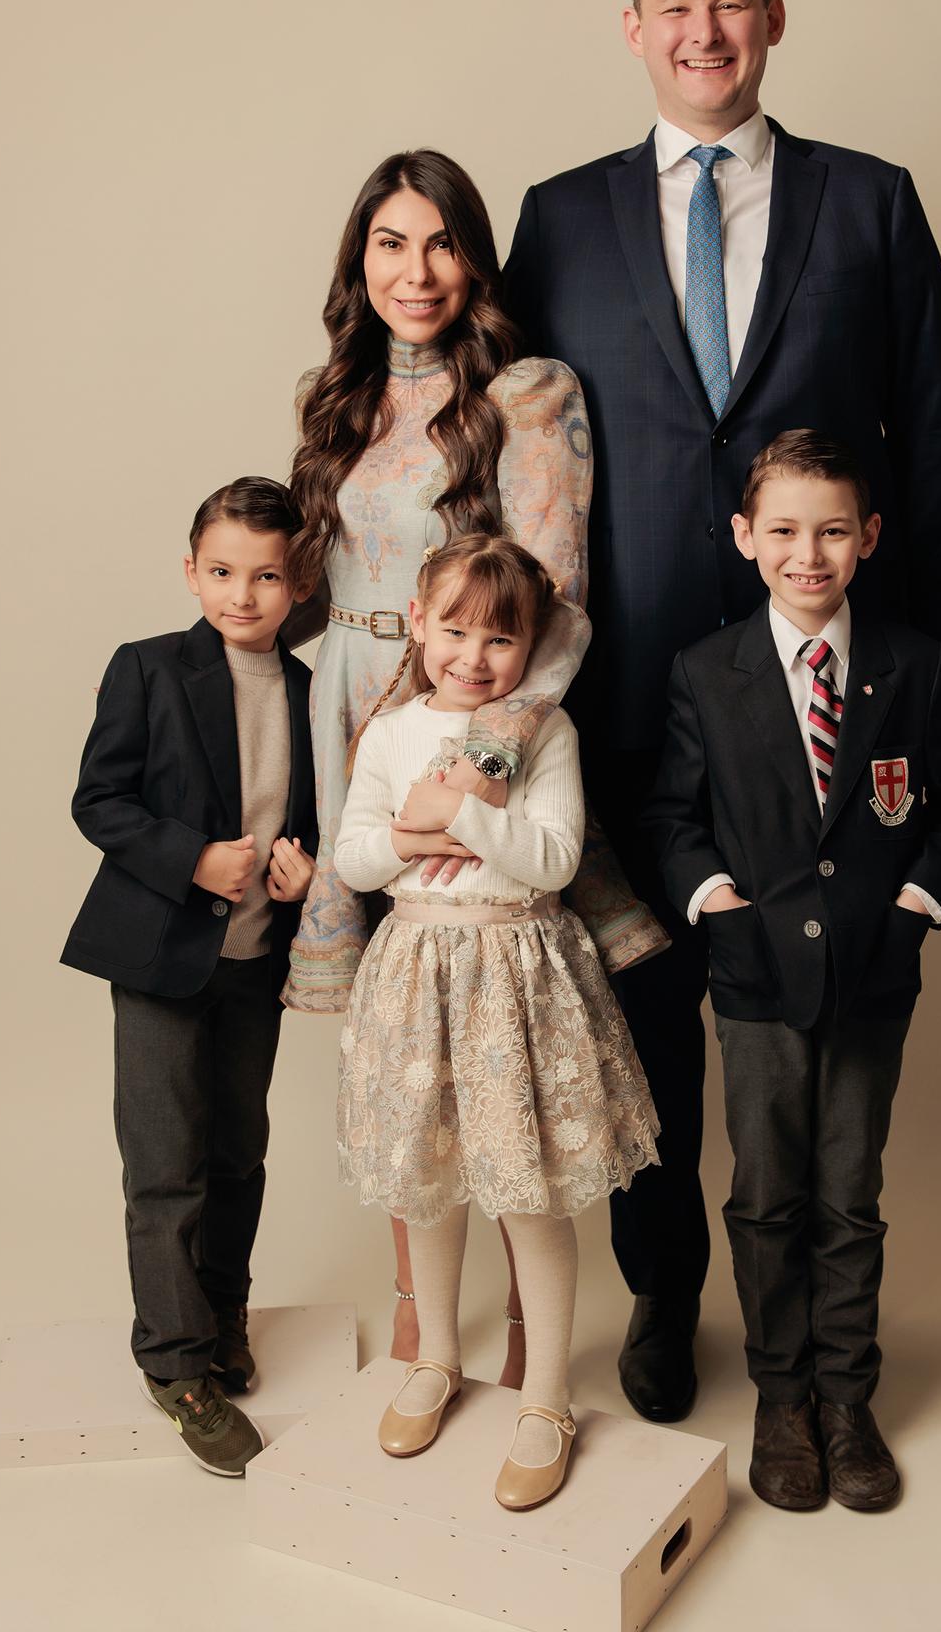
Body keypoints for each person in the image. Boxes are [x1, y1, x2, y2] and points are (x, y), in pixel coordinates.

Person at [504, 0, 941, 1422]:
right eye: (673, 5)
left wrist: (910, 659)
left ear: (772, 19)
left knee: (804, 1014)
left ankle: (810, 1340)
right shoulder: (558, 218)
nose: (702, 31)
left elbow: (938, 436)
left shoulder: (870, 203)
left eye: (729, 3)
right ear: (631, 29)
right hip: (626, 691)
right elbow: (507, 450)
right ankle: (661, 1294)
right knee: (647, 1015)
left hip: (822, 694)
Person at [280, 147, 665, 1383]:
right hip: (351, 716)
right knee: (402, 1038)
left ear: (476, 260)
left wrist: (486, 759)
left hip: (464, 712)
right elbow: (310, 581)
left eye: (441, 242)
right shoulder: (334, 396)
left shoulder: (527, 395)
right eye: (389, 243)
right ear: (358, 261)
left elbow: (557, 594)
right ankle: (418, 1309)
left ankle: (526, 1329)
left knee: (492, 1028)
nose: (416, 270)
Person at [645, 430, 941, 1510]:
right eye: (785, 531)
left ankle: (846, 1398)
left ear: (868, 537)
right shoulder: (705, 672)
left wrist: (913, 907)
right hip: (755, 981)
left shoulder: (910, 662)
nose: (809, 553)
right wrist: (719, 906)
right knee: (765, 1195)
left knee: (849, 1193)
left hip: (872, 977)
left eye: (833, 530)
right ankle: (779, 1395)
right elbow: (672, 819)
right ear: (745, 537)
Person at [335, 535, 659, 1509]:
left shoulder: (543, 732)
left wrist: (466, 810)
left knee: (528, 1190)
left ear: (530, 645)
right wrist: (414, 832)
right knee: (428, 1181)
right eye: (455, 631)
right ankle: (435, 1356)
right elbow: (355, 859)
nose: (473, 657)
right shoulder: (389, 732)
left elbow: (551, 858)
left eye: (500, 640)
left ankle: (546, 1397)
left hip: (516, 977)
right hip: (415, 978)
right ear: (418, 623)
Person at [61, 477, 317, 1477]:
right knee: (165, 1162)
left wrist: (303, 869)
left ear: (298, 582)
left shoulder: (312, 689)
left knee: (238, 1153)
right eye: (221, 571)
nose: (241, 594)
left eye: (265, 576)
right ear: (191, 571)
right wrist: (190, 858)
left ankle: (220, 1315)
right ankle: (174, 1363)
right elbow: (99, 799)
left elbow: (314, 812)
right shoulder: (148, 667)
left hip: (255, 958)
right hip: (160, 957)